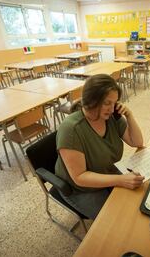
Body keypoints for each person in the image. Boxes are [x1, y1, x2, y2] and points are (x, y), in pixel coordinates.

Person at [55, 74, 145, 219]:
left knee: (135, 204)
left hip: (106, 172)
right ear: (91, 101)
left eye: (114, 102)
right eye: (107, 103)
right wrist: (120, 180)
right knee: (115, 220)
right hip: (80, 188)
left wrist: (129, 116)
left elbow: (137, 142)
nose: (112, 108)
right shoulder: (71, 129)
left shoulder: (111, 117)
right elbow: (80, 177)